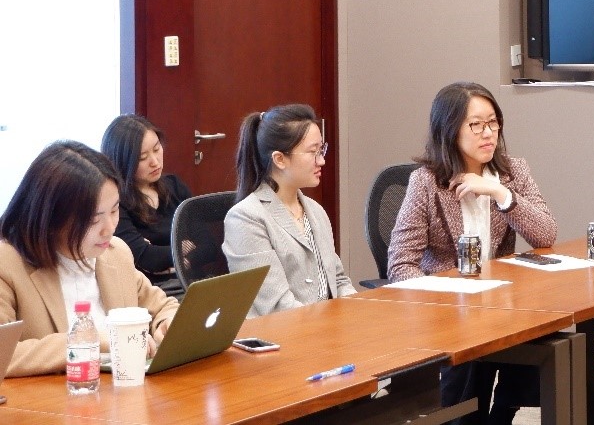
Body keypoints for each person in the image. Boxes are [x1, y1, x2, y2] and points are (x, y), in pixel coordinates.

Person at [388, 82, 557, 425]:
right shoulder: (426, 182)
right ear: (450, 131)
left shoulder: (513, 172)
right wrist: (442, 302)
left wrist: (500, 193)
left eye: (493, 123)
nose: (488, 133)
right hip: (450, 313)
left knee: (548, 329)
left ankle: (504, 411)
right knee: (468, 372)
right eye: (476, 125)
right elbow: (401, 263)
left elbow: (546, 234)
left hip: (502, 306)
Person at [0, 140, 179, 377]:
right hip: (53, 396)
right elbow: (4, 353)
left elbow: (162, 305)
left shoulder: (115, 253)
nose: (109, 228)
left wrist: (167, 323)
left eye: (114, 210)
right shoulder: (8, 264)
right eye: (94, 220)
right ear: (51, 219)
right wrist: (91, 341)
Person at [223, 104, 355, 317]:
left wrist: (359, 313)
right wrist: (330, 326)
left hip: (325, 327)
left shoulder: (315, 211)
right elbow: (277, 306)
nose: (321, 160)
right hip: (283, 332)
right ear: (279, 159)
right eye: (312, 152)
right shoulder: (246, 218)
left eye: (321, 150)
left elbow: (338, 281)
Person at [101, 114, 192, 295]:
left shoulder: (174, 186)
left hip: (190, 282)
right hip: (151, 292)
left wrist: (162, 256)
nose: (155, 162)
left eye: (157, 149)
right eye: (143, 157)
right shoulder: (115, 203)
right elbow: (146, 258)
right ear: (122, 161)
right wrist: (183, 249)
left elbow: (207, 244)